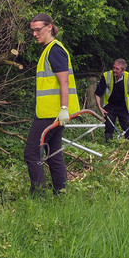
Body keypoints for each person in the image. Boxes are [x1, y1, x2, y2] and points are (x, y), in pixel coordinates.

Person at [24, 13, 79, 195]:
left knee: (32, 154)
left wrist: (64, 109)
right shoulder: (48, 50)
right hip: (50, 112)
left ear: (49, 27)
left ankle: (38, 195)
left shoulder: (55, 50)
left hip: (52, 113)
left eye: (38, 29)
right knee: (53, 153)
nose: (35, 34)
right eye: (32, 30)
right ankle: (60, 193)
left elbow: (64, 82)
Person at [95, 58, 129, 142]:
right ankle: (108, 145)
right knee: (109, 127)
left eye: (117, 69)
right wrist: (100, 108)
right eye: (113, 67)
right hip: (110, 106)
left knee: (127, 127)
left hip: (123, 107)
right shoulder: (106, 76)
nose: (114, 70)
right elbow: (97, 94)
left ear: (123, 70)